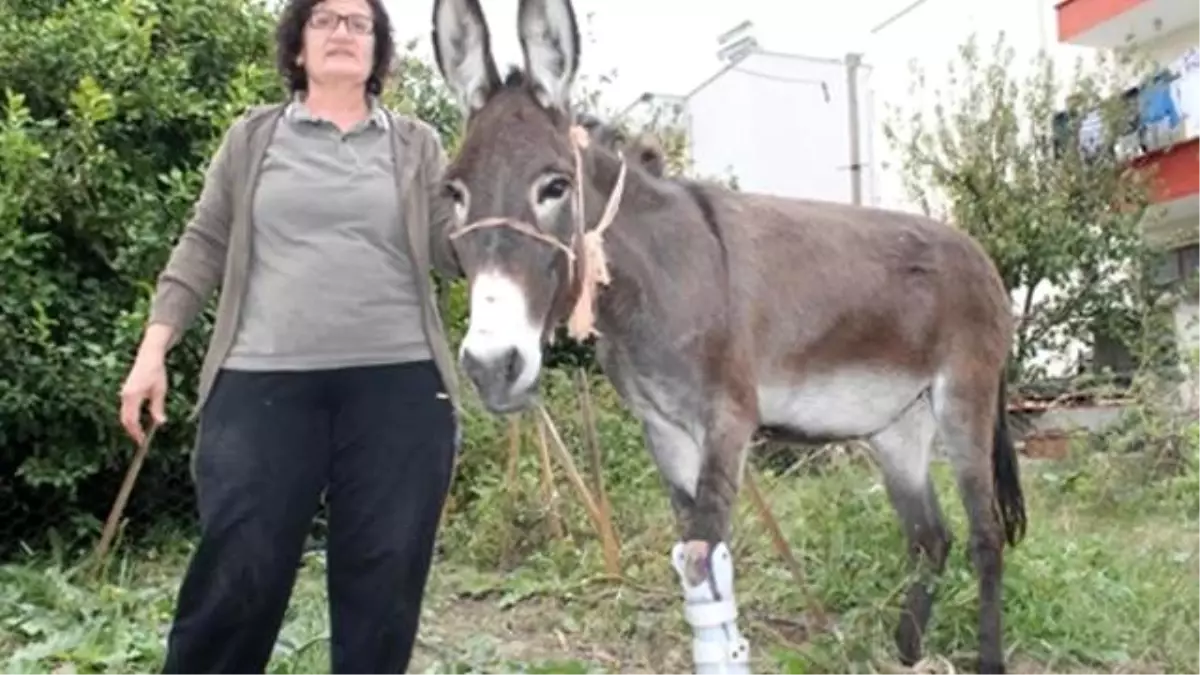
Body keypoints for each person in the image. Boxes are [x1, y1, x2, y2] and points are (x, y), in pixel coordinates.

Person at [116, 0, 463, 672]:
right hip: (261, 378)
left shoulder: (416, 144)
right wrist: (153, 347)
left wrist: (523, 211)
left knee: (384, 578)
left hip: (398, 384)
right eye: (326, 19)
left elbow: (453, 251)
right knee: (239, 567)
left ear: (378, 51)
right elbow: (204, 243)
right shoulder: (253, 138)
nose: (343, 32)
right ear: (298, 47)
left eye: (359, 23)